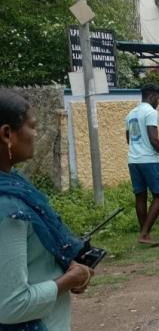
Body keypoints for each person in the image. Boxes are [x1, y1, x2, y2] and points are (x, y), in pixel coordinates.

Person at [0, 89, 94, 330]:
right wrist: (68, 280)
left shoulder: (15, 183)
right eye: (32, 126)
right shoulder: (8, 209)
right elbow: (11, 306)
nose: (35, 133)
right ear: (7, 134)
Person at [125, 83, 159, 246]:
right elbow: (153, 138)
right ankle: (144, 234)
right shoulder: (151, 112)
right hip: (148, 160)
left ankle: (145, 233)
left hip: (133, 160)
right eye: (158, 98)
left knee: (140, 196)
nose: (158, 101)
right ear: (151, 96)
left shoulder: (130, 114)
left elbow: (128, 139)